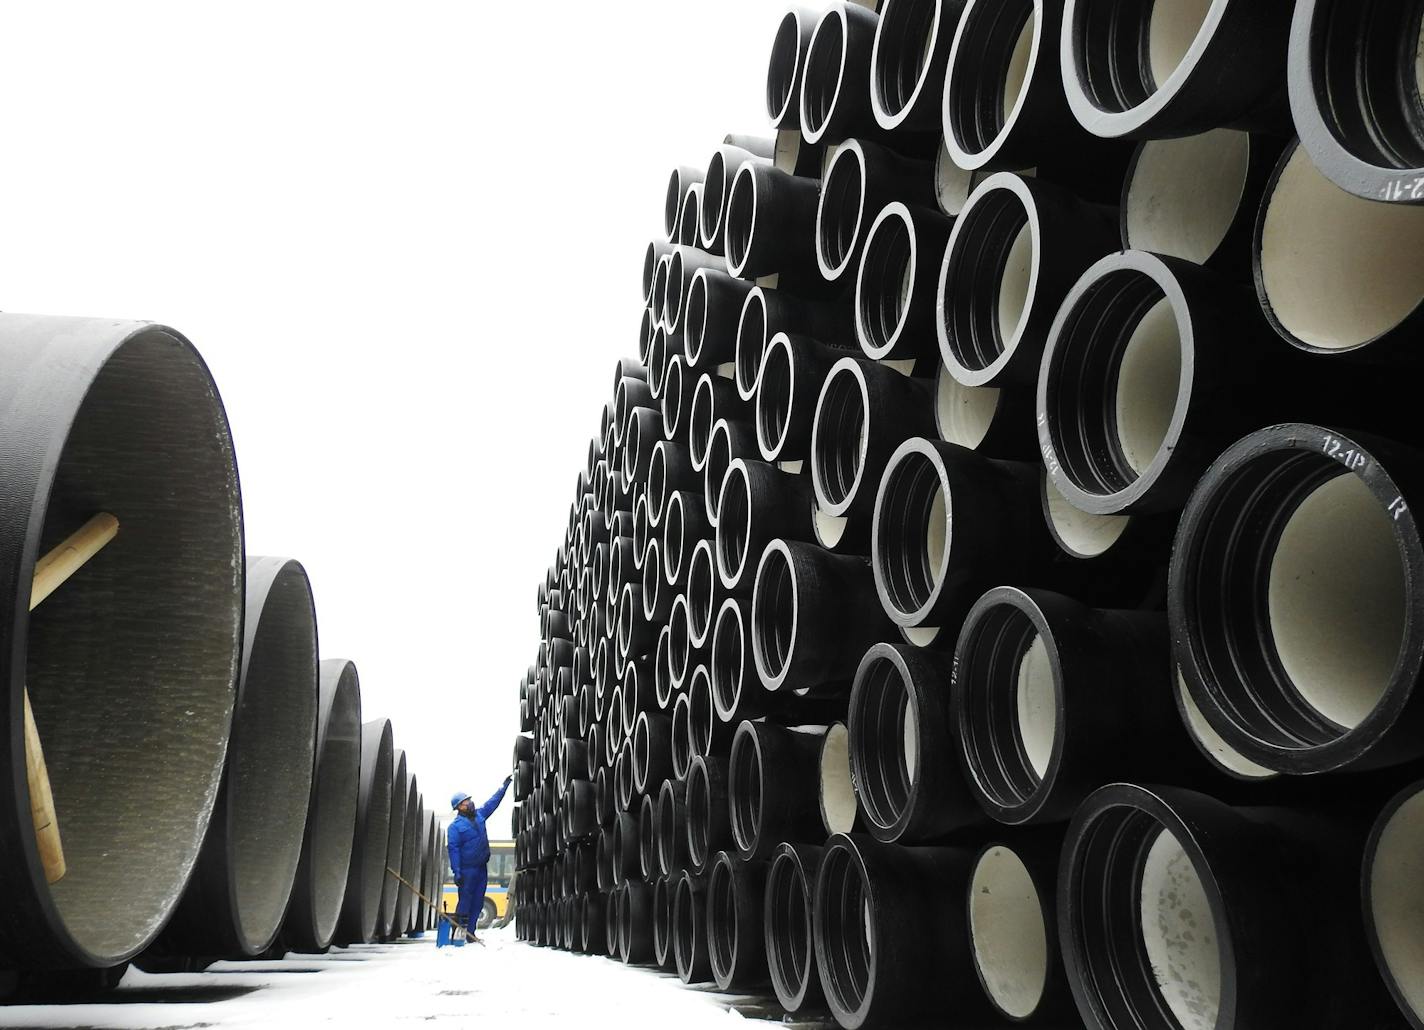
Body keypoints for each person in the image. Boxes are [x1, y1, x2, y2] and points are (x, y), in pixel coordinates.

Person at [448, 776, 511, 940]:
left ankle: (471, 933)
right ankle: (459, 933)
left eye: (469, 799)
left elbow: (493, 803)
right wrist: (457, 871)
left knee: (478, 902)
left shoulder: (480, 816)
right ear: (459, 807)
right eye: (465, 801)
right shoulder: (454, 828)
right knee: (465, 902)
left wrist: (504, 786)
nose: (469, 802)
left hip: (481, 868)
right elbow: (453, 851)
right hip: (467, 871)